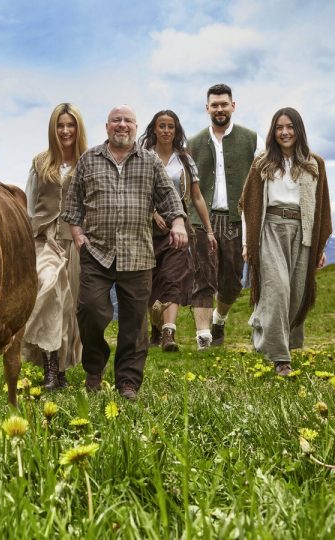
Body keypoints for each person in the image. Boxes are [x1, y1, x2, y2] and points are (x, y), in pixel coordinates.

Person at [62, 105, 188, 401]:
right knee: (91, 311)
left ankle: (128, 382)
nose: (122, 125)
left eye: (128, 121)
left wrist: (179, 222)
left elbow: (169, 198)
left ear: (135, 126)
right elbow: (72, 206)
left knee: (134, 322)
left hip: (138, 254)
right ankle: (95, 368)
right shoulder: (88, 159)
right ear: (107, 127)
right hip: (96, 251)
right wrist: (78, 236)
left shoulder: (150, 161)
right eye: (116, 121)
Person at [240, 107, 331, 376]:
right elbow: (248, 205)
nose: (285, 132)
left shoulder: (315, 163)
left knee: (295, 291)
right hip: (270, 229)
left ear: (298, 129)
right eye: (279, 127)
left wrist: (319, 247)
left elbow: (322, 206)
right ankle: (281, 358)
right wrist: (248, 242)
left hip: (303, 230)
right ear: (273, 131)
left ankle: (269, 332)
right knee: (277, 288)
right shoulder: (262, 162)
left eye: (290, 126)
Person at [187, 83, 262, 350]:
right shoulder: (193, 142)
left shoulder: (249, 138)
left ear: (233, 105)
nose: (219, 109)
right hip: (200, 219)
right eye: (214, 105)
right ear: (207, 108)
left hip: (235, 218)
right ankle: (204, 338)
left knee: (232, 282)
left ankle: (219, 320)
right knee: (202, 277)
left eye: (224, 104)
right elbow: (189, 184)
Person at [139, 110, 217, 351]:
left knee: (173, 278)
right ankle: (154, 325)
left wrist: (209, 230)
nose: (166, 130)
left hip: (179, 227)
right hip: (146, 227)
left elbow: (196, 196)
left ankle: (168, 334)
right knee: (150, 281)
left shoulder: (184, 160)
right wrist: (154, 214)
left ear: (176, 130)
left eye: (170, 126)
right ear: (154, 129)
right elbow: (137, 192)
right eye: (161, 126)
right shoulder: (142, 157)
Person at [23, 103, 87, 391]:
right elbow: (29, 203)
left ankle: (60, 370)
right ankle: (49, 368)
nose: (65, 130)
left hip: (76, 241)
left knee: (70, 307)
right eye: (60, 125)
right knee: (49, 291)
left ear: (78, 128)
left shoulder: (88, 162)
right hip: (45, 239)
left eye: (70, 125)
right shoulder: (40, 162)